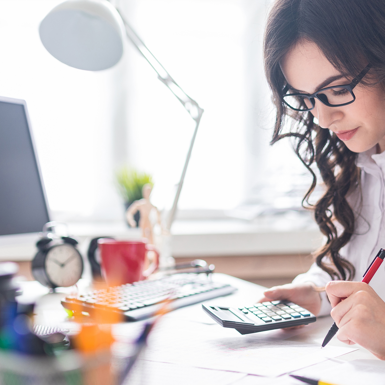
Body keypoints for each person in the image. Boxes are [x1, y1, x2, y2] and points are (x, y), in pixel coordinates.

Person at [259, 0, 385, 360]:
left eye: (340, 89)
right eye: (307, 98)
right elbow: (358, 274)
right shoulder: (358, 169)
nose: (324, 118)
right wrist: (316, 293)